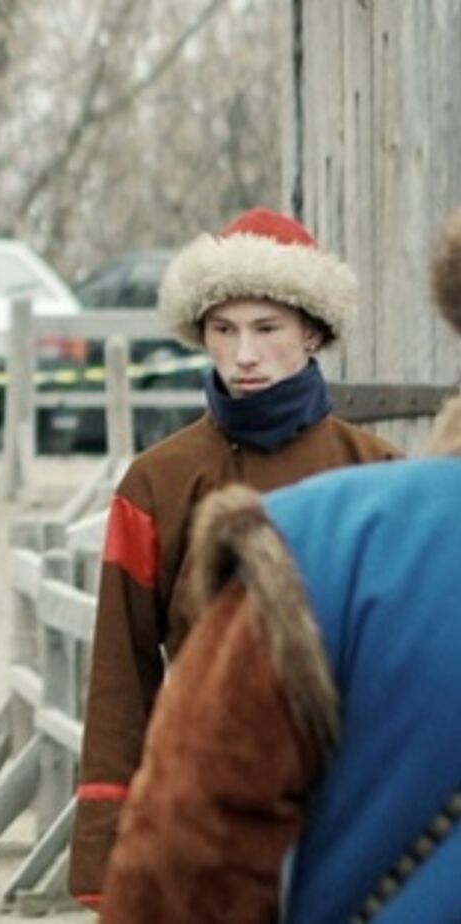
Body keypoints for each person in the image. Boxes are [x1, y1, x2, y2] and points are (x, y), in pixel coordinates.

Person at [99, 212, 461, 922]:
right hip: (227, 803)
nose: (244, 354)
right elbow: (121, 670)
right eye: (223, 329)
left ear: (313, 332)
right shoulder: (156, 482)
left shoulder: (375, 480)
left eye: (266, 328)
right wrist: (103, 841)